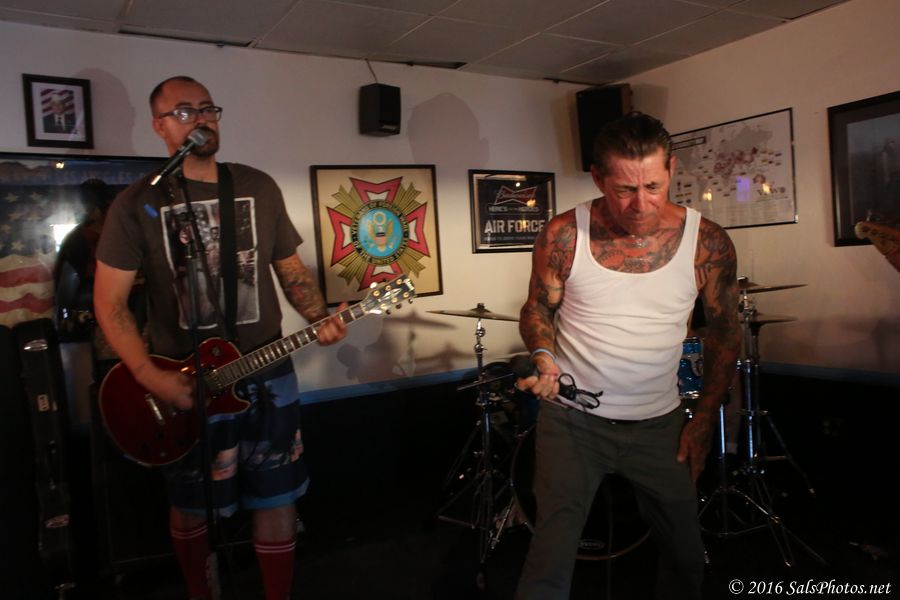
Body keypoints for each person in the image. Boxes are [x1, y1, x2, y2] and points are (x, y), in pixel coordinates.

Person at [93, 75, 347, 600]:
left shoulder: (257, 186)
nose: (201, 119)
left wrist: (320, 316)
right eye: (185, 111)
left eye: (208, 108)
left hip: (267, 372)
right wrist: (148, 376)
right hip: (185, 382)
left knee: (278, 496)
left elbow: (290, 270)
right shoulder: (137, 204)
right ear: (160, 126)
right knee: (191, 504)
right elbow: (109, 304)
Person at [514, 112, 741, 600]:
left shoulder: (707, 242)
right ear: (598, 178)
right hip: (572, 422)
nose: (640, 205)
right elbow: (537, 308)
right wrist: (544, 356)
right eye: (624, 190)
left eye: (653, 187)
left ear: (671, 169)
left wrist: (705, 418)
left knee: (685, 555)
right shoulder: (564, 234)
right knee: (548, 561)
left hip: (660, 426)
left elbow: (725, 332)